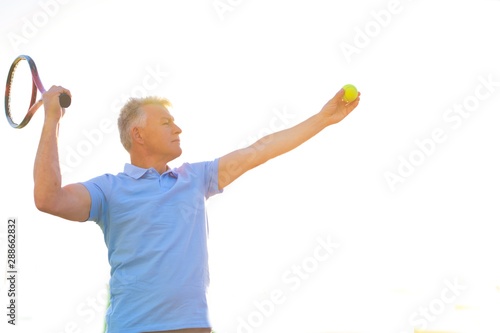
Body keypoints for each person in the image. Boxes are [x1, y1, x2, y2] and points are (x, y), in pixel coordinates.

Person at [33, 85, 361, 333]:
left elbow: (259, 150)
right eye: (166, 122)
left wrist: (322, 120)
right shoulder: (109, 189)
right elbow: (49, 198)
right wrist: (52, 120)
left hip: (193, 327)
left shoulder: (194, 178)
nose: (178, 129)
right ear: (138, 135)